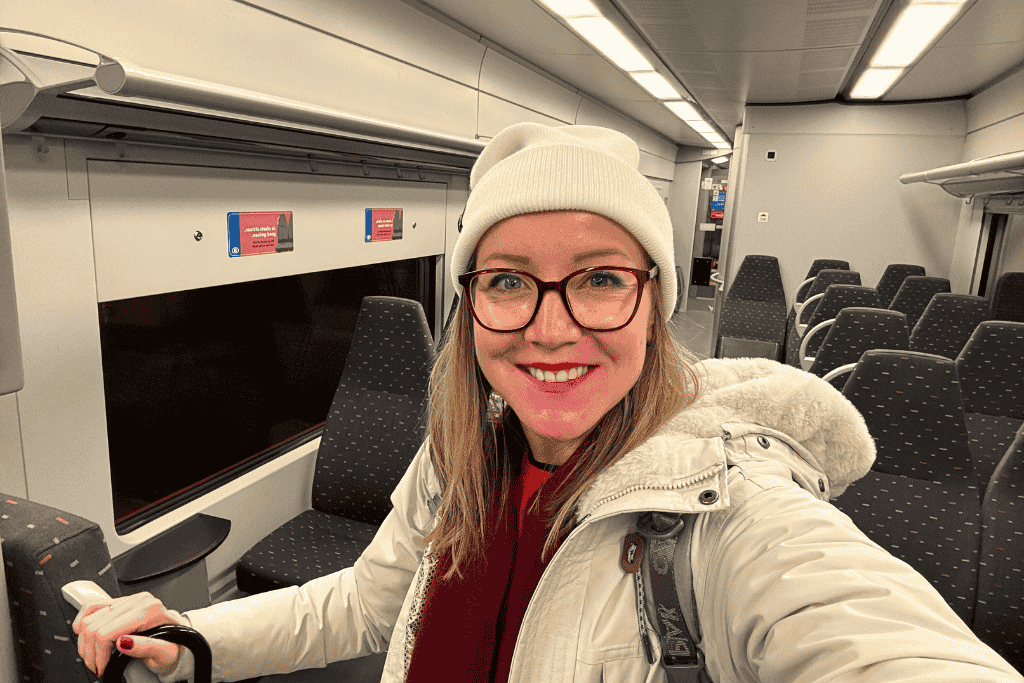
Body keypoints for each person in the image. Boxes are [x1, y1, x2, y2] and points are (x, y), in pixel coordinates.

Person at [73, 122, 1022, 683]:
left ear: (656, 301)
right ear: (471, 304)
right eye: (510, 280)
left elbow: (875, 637)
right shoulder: (459, 455)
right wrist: (192, 637)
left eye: (600, 279)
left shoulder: (733, 510)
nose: (552, 327)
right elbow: (361, 608)